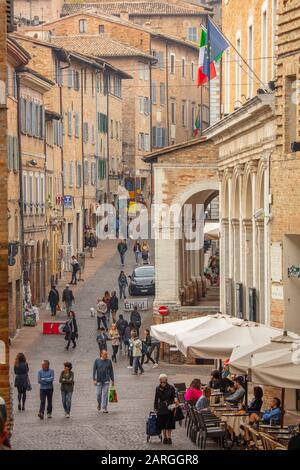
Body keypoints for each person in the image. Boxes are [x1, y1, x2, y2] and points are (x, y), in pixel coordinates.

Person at [154, 374, 178, 445]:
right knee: (163, 424)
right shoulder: (157, 388)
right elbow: (156, 399)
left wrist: (176, 401)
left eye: (164, 382)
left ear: (166, 381)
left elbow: (174, 396)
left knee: (169, 424)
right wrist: (155, 408)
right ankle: (165, 437)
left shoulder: (171, 387)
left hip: (170, 407)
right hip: (161, 408)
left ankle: (169, 437)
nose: (162, 383)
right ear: (160, 381)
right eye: (161, 382)